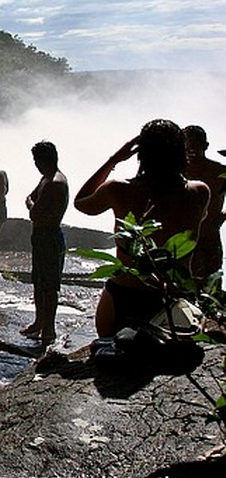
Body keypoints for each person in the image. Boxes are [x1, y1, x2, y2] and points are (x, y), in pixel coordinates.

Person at [74, 120, 209, 337]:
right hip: (174, 295)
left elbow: (81, 202)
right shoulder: (199, 192)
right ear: (181, 153)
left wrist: (114, 159)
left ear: (141, 153)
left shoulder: (118, 189)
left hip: (125, 292)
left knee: (111, 356)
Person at [22, 141, 69, 346]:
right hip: (41, 236)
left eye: (36, 160)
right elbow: (32, 200)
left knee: (49, 286)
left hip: (50, 237)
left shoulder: (54, 183)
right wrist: (33, 203)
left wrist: (31, 204)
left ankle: (49, 328)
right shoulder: (46, 179)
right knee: (39, 282)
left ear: (43, 160)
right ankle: (39, 322)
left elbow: (33, 210)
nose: (35, 164)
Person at [183, 125, 226, 281]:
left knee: (211, 289)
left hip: (209, 237)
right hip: (182, 239)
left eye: (196, 145)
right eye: (187, 145)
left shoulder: (219, 172)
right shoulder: (176, 171)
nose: (191, 149)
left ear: (205, 146)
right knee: (181, 290)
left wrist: (223, 215)